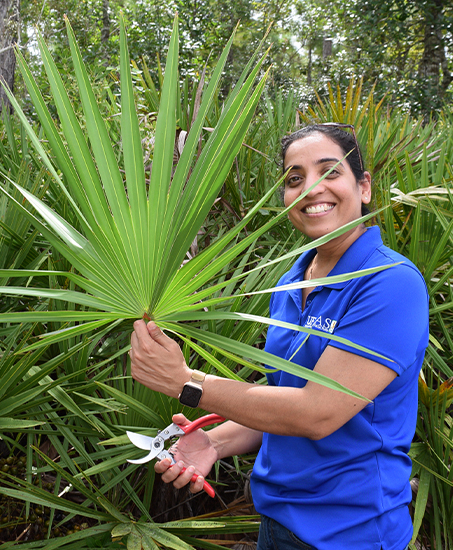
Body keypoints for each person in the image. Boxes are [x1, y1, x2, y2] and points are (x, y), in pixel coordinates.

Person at [130, 124, 429, 550]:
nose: (311, 189)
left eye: (330, 171)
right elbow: (283, 397)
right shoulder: (293, 280)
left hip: (351, 532)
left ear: (363, 187)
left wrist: (188, 383)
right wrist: (214, 442)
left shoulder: (390, 283)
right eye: (294, 178)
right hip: (276, 519)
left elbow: (316, 413)